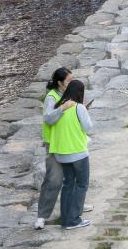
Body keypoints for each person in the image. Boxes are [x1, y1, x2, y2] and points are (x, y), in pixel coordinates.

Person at [50, 79, 92, 231]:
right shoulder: (79, 108)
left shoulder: (59, 107)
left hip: (62, 152)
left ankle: (66, 219)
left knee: (68, 185)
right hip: (78, 152)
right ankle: (74, 220)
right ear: (80, 92)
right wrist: (86, 112)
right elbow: (88, 127)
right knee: (81, 185)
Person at [36, 67, 73, 229]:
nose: (71, 83)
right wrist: (63, 108)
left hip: (70, 140)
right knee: (53, 180)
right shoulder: (51, 97)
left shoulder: (69, 93)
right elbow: (48, 119)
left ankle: (74, 205)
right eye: (68, 81)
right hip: (54, 145)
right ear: (60, 83)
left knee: (73, 177)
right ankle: (42, 216)